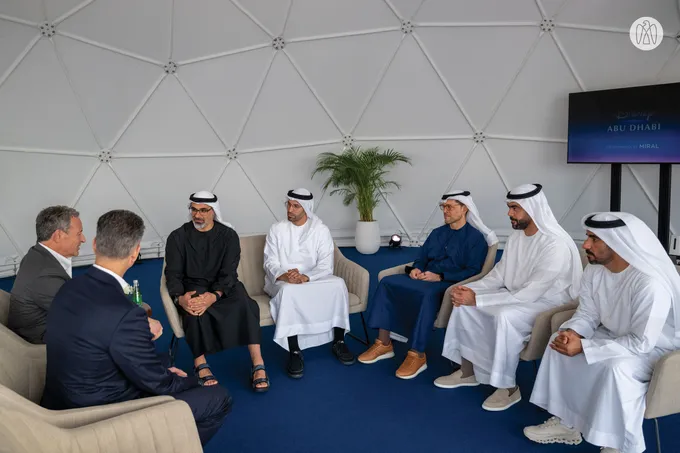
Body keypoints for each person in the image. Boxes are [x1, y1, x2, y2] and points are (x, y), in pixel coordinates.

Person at [41, 210, 232, 447]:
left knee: (164, 360)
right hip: (98, 413)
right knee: (218, 398)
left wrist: (161, 369)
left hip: (64, 397)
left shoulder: (69, 287)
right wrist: (192, 382)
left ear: (95, 244)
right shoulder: (126, 313)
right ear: (135, 253)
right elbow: (159, 384)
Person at [524, 212, 680, 453]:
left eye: (594, 239)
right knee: (558, 343)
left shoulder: (649, 283)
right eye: (588, 236)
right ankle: (568, 423)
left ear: (618, 243)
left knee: (614, 367)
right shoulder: (594, 271)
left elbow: (641, 343)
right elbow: (588, 313)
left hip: (656, 350)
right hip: (615, 336)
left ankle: (620, 444)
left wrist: (585, 347)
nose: (585, 245)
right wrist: (573, 333)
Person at [435, 183, 583, 411]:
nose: (509, 213)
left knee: (504, 316)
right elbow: (498, 275)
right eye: (509, 207)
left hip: (547, 302)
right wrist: (471, 290)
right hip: (515, 294)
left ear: (532, 209)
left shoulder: (555, 244)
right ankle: (467, 371)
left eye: (515, 208)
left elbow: (533, 291)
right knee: (463, 305)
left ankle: (508, 387)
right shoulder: (516, 238)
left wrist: (479, 299)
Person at [358, 191, 493, 379]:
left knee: (427, 295)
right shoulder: (437, 233)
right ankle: (384, 343)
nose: (445, 211)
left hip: (447, 282)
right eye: (443, 207)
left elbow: (474, 271)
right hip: (424, 277)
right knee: (387, 282)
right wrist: (417, 268)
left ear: (464, 209)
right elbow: (421, 257)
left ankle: (417, 354)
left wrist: (441, 276)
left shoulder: (475, 238)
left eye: (450, 207)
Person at [164, 191, 269, 392]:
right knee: (193, 310)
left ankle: (258, 363)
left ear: (214, 212)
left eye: (204, 210)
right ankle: (200, 364)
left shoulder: (228, 236)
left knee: (246, 305)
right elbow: (173, 273)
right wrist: (180, 298)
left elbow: (229, 272)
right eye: (194, 210)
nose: (198, 215)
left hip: (224, 287)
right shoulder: (177, 237)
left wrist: (215, 295)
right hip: (193, 286)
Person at [264, 188, 354, 378]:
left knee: (338, 284)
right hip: (283, 280)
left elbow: (326, 265)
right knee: (290, 292)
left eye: (295, 206)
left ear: (306, 208)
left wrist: (306, 277)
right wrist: (285, 276)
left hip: (313, 277)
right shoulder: (276, 229)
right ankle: (294, 350)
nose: (290, 210)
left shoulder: (320, 230)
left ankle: (339, 341)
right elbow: (270, 262)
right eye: (288, 205)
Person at [8, 206, 85, 344]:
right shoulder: (45, 275)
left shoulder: (36, 254)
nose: (83, 239)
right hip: (43, 344)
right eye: (79, 234)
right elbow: (83, 314)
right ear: (58, 235)